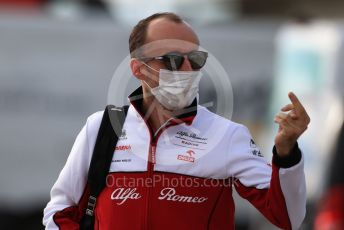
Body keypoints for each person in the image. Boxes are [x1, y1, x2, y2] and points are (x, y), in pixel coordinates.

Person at [43, 12, 310, 230]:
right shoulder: (101, 127)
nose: (186, 70)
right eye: (172, 60)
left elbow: (288, 217)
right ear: (139, 69)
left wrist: (286, 152)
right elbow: (59, 212)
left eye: (195, 59)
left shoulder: (227, 135)